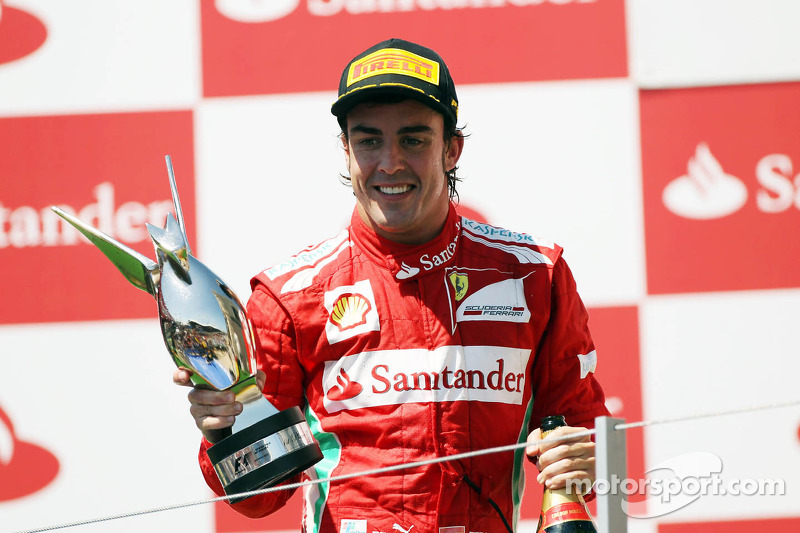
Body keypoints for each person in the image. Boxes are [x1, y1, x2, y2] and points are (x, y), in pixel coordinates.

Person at [174, 38, 608, 532]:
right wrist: (223, 428)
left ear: (452, 149)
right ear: (346, 150)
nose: (390, 162)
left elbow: (584, 438)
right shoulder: (289, 296)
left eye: (414, 139)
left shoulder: (534, 274)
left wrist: (583, 460)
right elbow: (260, 498)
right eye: (369, 140)